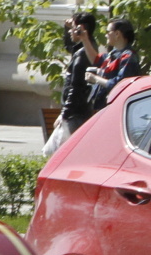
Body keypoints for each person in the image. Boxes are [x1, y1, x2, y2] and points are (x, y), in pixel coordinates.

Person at [43, 11, 102, 154]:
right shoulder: (86, 47)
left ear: (80, 28)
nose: (70, 31)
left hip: (75, 113)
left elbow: (76, 87)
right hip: (79, 111)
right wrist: (66, 28)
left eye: (72, 27)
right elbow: (70, 46)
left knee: (56, 153)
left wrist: (64, 114)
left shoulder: (83, 54)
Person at [86, 17, 142, 112]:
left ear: (117, 34)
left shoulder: (128, 56)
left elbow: (121, 84)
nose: (106, 35)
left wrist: (95, 79)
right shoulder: (112, 55)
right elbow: (96, 59)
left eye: (108, 31)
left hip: (116, 109)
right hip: (102, 107)